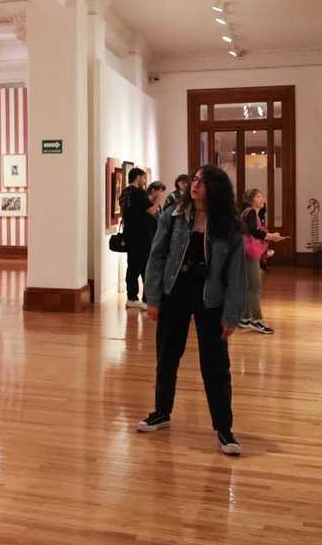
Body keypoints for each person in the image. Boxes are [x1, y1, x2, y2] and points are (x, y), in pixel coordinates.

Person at [137, 166, 247, 456]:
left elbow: (236, 275)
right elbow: (157, 256)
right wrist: (153, 298)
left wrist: (232, 315)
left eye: (203, 181)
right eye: (195, 180)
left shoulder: (228, 224)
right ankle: (161, 412)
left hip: (211, 298)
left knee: (216, 365)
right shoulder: (174, 216)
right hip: (176, 291)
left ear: (217, 189)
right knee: (167, 355)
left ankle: (224, 428)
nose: (196, 185)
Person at [240, 189, 286, 334]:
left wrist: (271, 235)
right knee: (256, 287)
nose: (262, 199)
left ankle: (245, 318)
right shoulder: (252, 212)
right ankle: (256, 320)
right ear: (252, 199)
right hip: (249, 253)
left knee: (249, 287)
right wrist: (271, 236)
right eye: (259, 196)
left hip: (243, 252)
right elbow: (254, 231)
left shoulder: (249, 212)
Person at [119, 168, 156, 309]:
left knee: (132, 267)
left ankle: (131, 298)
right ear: (138, 177)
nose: (145, 181)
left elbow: (135, 209)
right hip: (142, 236)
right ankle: (146, 300)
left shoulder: (125, 192)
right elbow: (151, 211)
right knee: (146, 268)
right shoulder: (139, 193)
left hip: (129, 235)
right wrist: (158, 199)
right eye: (144, 178)